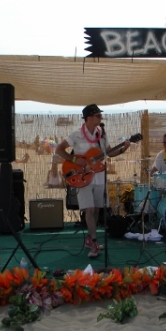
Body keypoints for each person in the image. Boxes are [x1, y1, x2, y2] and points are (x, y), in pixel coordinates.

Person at [55, 104, 130, 258]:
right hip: (82, 177)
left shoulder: (101, 134)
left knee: (96, 210)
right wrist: (74, 159)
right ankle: (94, 242)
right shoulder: (76, 135)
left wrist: (124, 148)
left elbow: (109, 152)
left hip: (98, 176)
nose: (101, 118)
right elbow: (59, 150)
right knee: (89, 210)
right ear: (89, 118)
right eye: (98, 116)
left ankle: (90, 238)